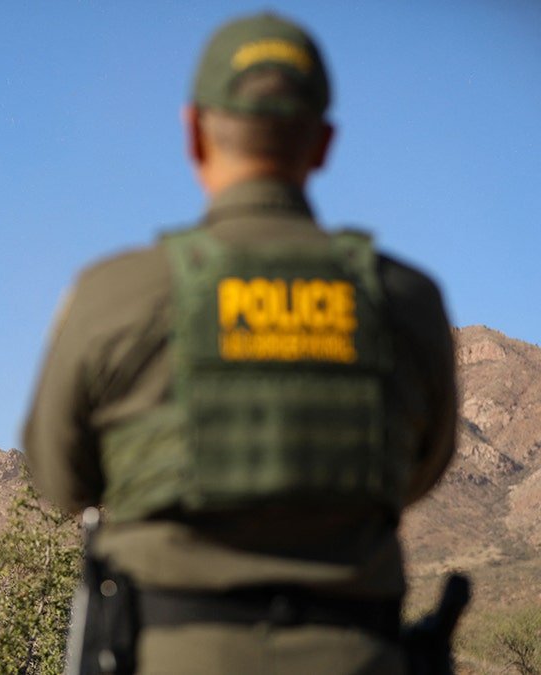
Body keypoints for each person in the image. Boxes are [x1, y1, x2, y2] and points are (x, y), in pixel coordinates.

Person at [24, 12, 456, 674]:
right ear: (323, 143)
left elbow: (59, 479)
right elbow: (419, 472)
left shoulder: (111, 296)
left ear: (194, 132)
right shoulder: (408, 303)